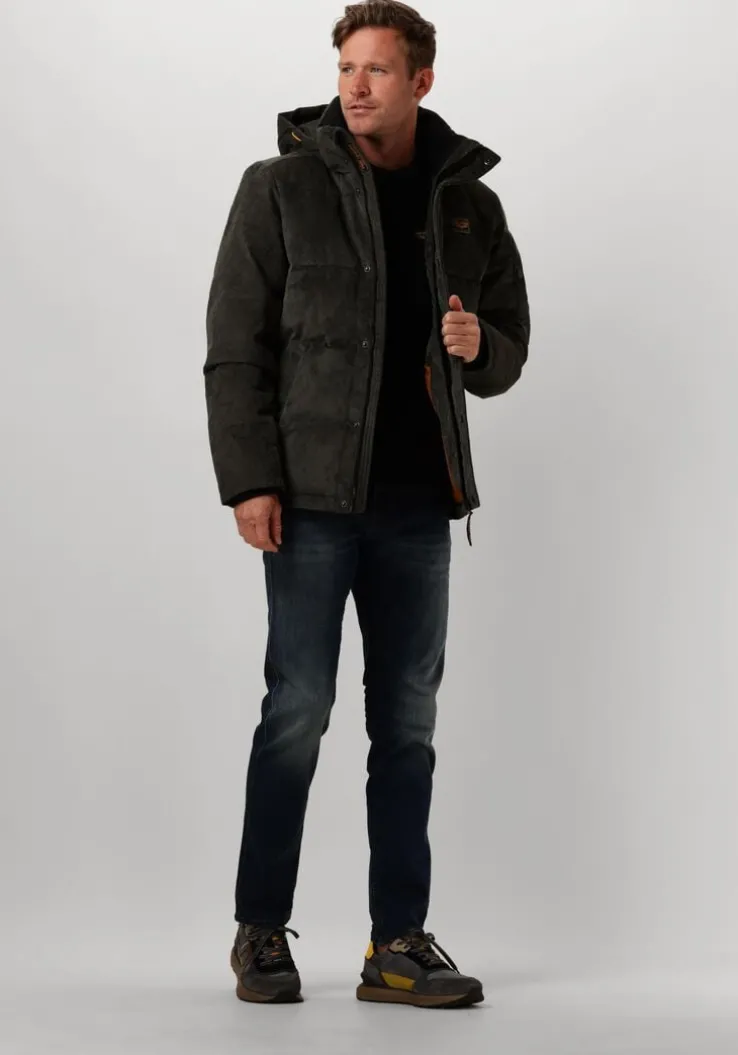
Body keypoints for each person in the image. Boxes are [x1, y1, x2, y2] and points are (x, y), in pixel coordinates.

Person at [204, 0, 530, 1009]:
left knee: (408, 725)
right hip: (309, 503)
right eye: (347, 67)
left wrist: (483, 347)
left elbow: (507, 345)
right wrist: (249, 479)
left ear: (421, 81)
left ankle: (397, 944)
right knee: (297, 711)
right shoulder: (278, 188)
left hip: (418, 506)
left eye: (377, 70)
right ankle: (261, 930)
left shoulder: (466, 204)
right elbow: (235, 345)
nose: (355, 86)